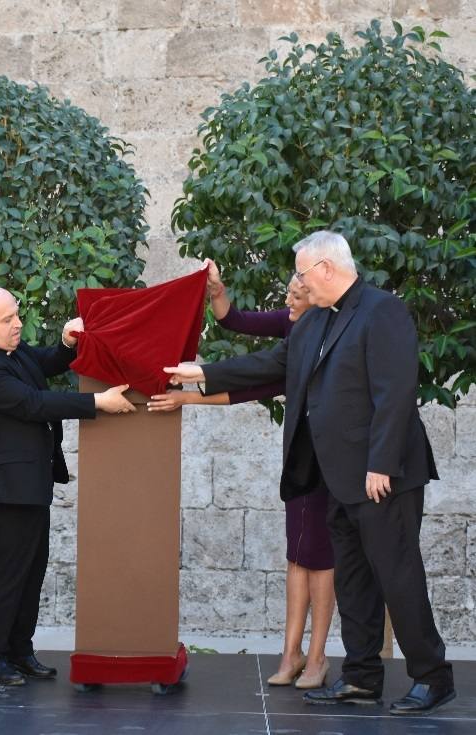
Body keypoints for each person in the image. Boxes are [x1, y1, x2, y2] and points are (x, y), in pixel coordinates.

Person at [164, 231, 454, 715]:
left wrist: (380, 462)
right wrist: (201, 373)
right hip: (336, 477)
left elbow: (396, 390)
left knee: (397, 576)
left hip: (383, 476)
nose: (297, 282)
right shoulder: (318, 317)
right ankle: (361, 677)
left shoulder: (381, 310)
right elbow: (274, 362)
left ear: (325, 267)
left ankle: (432, 675)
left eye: (301, 272)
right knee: (354, 582)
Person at [148, 264, 334, 690]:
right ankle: (292, 654)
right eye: (287, 292)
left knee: (321, 560)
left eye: (296, 296)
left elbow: (259, 373)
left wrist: (195, 378)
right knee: (297, 556)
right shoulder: (294, 323)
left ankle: (317, 657)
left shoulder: (325, 333)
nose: (287, 302)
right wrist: (216, 292)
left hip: (328, 460)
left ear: (319, 297)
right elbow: (237, 325)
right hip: (301, 459)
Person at [0, 285, 135, 686]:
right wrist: (96, 404)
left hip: (28, 485)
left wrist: (67, 345)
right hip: (1, 490)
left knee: (31, 571)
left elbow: (44, 364)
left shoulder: (9, 351)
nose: (17, 325)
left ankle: (20, 651)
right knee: (4, 574)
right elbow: (32, 402)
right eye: (7, 320)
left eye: (17, 315)